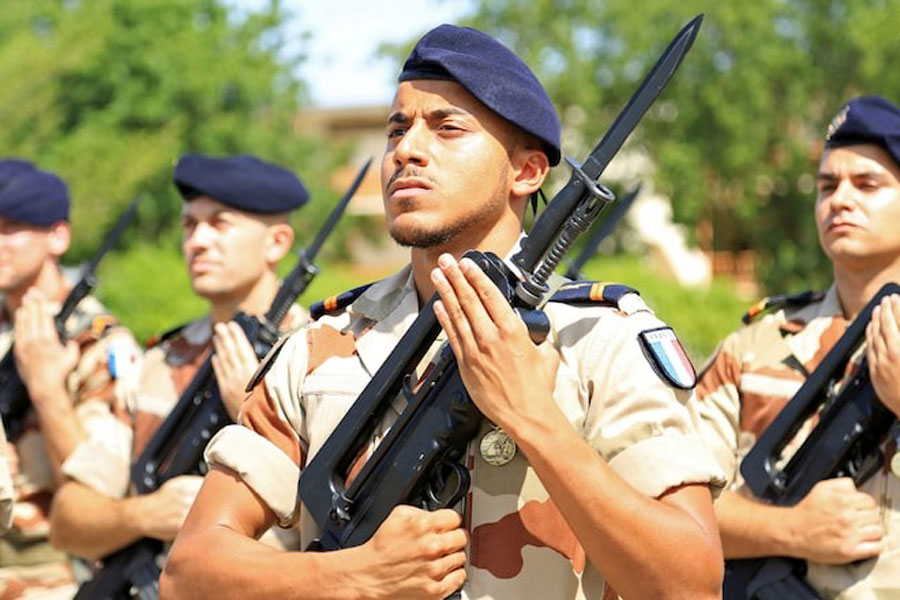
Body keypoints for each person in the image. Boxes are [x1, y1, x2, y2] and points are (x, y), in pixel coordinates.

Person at [161, 24, 725, 600]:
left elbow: (690, 585)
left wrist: (534, 417)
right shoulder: (320, 345)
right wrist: (351, 576)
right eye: (397, 129)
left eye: (447, 127)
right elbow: (189, 573)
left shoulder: (600, 341)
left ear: (527, 171)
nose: (406, 149)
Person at [49, 154, 310, 563]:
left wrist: (254, 416)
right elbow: (68, 518)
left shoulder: (319, 358)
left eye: (220, 223)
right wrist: (144, 514)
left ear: (277, 243)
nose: (198, 240)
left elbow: (336, 527)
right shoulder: (161, 362)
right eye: (190, 224)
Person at [689, 95, 900, 597]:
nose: (840, 200)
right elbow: (673, 504)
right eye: (827, 186)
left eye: (868, 184)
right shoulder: (755, 343)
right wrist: (793, 530)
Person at [0, 159, 140, 597]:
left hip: (53, 579)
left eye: (11, 227)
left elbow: (101, 493)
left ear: (58, 236)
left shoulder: (99, 346)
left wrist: (46, 390)